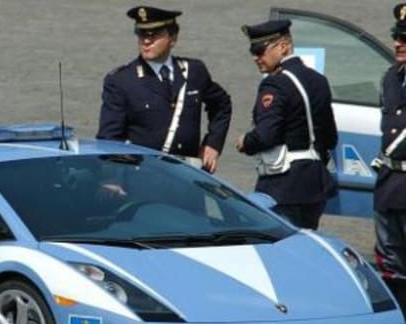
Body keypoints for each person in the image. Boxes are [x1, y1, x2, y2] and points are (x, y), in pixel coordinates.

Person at [97, 5, 232, 173]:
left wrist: (213, 144)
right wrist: (113, 178)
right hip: (143, 175)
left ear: (172, 38)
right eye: (141, 34)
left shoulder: (194, 71)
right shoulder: (122, 80)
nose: (146, 41)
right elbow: (109, 139)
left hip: (188, 176)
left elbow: (222, 105)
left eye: (153, 35)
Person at [235, 19, 338, 230]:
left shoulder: (274, 83)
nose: (256, 57)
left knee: (278, 251)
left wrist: (246, 141)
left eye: (261, 50)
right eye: (253, 51)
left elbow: (266, 135)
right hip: (313, 183)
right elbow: (330, 136)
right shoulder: (318, 80)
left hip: (282, 186)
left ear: (283, 46)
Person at [373, 4, 406, 314]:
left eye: (405, 39)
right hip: (390, 185)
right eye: (397, 37)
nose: (398, 43)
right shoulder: (390, 78)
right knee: (391, 267)